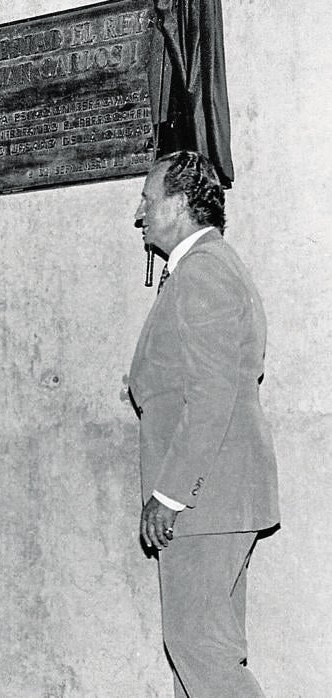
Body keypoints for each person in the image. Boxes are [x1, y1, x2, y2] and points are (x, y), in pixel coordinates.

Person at [129, 150, 279, 696]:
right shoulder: (202, 270)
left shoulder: (205, 272)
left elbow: (212, 397)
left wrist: (169, 496)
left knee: (198, 648)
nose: (140, 214)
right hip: (217, 495)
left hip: (205, 498)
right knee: (202, 652)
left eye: (148, 199)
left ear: (182, 204)